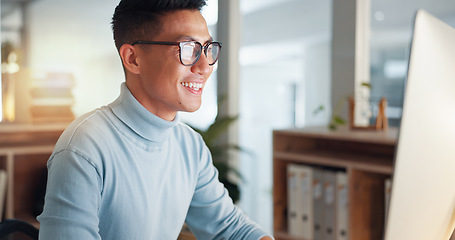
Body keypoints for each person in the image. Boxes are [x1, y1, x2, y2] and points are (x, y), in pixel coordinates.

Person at [37, 0, 274, 239]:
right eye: (188, 48)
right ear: (133, 58)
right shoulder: (84, 147)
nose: (205, 66)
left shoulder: (190, 146)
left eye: (207, 48)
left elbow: (230, 229)